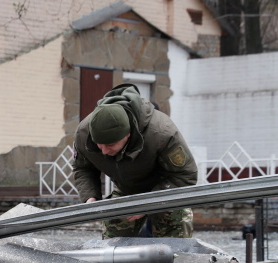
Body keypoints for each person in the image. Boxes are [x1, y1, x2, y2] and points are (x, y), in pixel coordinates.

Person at [72, 83, 197, 238]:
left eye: (110, 145)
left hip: (165, 191)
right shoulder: (84, 133)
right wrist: (90, 197)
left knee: (175, 247)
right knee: (112, 247)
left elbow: (186, 175)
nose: (104, 151)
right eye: (99, 145)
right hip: (126, 190)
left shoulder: (162, 132)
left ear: (127, 135)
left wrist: (148, 204)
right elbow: (83, 168)